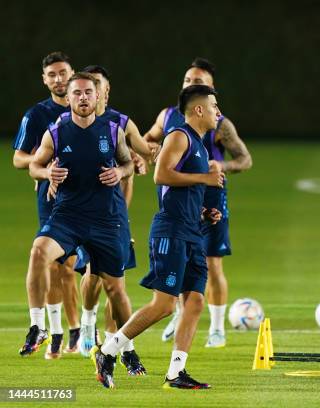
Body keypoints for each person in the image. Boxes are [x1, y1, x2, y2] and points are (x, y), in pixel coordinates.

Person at [95, 84, 224, 389]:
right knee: (165, 305)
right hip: (172, 231)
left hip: (192, 231)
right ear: (199, 110)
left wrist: (204, 211)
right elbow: (161, 175)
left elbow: (182, 189)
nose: (219, 112)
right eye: (215, 106)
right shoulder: (179, 135)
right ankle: (107, 350)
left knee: (194, 301)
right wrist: (205, 177)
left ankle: (175, 373)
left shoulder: (201, 145)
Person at [22, 72, 135, 367]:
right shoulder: (56, 132)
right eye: (77, 93)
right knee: (38, 251)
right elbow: (34, 165)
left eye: (88, 92)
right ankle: (37, 326)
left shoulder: (112, 131)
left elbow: (127, 164)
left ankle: (128, 350)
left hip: (106, 219)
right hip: (68, 216)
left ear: (97, 97)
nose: (83, 98)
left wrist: (120, 173)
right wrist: (47, 173)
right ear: (69, 98)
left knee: (115, 289)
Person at [145, 58, 252, 347]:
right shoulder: (168, 117)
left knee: (212, 263)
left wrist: (219, 167)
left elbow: (245, 159)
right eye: (188, 80)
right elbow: (147, 142)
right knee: (180, 257)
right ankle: (179, 313)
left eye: (199, 82)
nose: (192, 84)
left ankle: (217, 327)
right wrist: (152, 150)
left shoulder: (219, 123)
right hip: (178, 197)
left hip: (211, 194)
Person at [14, 52, 80, 358]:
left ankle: (83, 330)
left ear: (72, 74)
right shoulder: (36, 115)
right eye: (51, 74)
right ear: (45, 79)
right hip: (52, 201)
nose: (58, 79)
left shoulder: (90, 110)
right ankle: (57, 332)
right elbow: (19, 158)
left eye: (62, 72)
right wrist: (42, 162)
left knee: (78, 269)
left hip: (90, 202)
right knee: (56, 266)